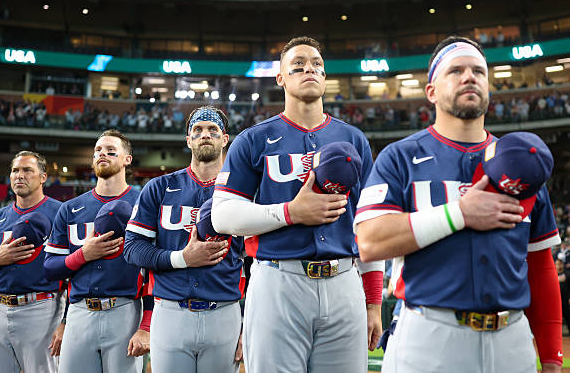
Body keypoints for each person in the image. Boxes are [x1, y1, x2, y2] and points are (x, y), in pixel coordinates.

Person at [355, 36, 562, 373]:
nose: (470, 77)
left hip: (512, 339)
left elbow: (541, 267)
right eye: (456, 71)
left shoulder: (524, 161)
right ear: (431, 91)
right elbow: (370, 241)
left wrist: (552, 357)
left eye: (479, 71)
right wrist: (459, 213)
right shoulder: (399, 157)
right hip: (429, 334)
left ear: (489, 88)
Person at [211, 36, 384, 372]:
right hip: (278, 279)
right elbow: (222, 215)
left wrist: (374, 302)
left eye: (317, 64)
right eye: (299, 65)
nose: (310, 69)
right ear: (281, 78)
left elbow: (371, 224)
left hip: (344, 279)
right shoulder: (253, 139)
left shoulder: (354, 139)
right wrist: (290, 212)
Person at [124, 106, 244, 372]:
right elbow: (132, 249)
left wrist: (248, 325)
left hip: (225, 311)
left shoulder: (243, 190)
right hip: (170, 311)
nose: (205, 135)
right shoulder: (159, 187)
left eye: (213, 130)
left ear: (225, 139)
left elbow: (256, 262)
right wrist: (182, 258)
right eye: (198, 130)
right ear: (188, 139)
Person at [43, 130, 151, 373]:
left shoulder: (145, 203)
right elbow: (50, 268)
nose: (103, 154)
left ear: (127, 159)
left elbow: (156, 271)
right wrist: (84, 254)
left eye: (111, 151)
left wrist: (146, 324)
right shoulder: (70, 208)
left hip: (126, 310)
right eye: (98, 151)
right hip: (80, 311)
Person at [0, 151, 64, 373]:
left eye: (27, 170)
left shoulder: (61, 213)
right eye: (15, 170)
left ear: (43, 177)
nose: (20, 175)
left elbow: (74, 271)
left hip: (42, 308)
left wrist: (65, 320)